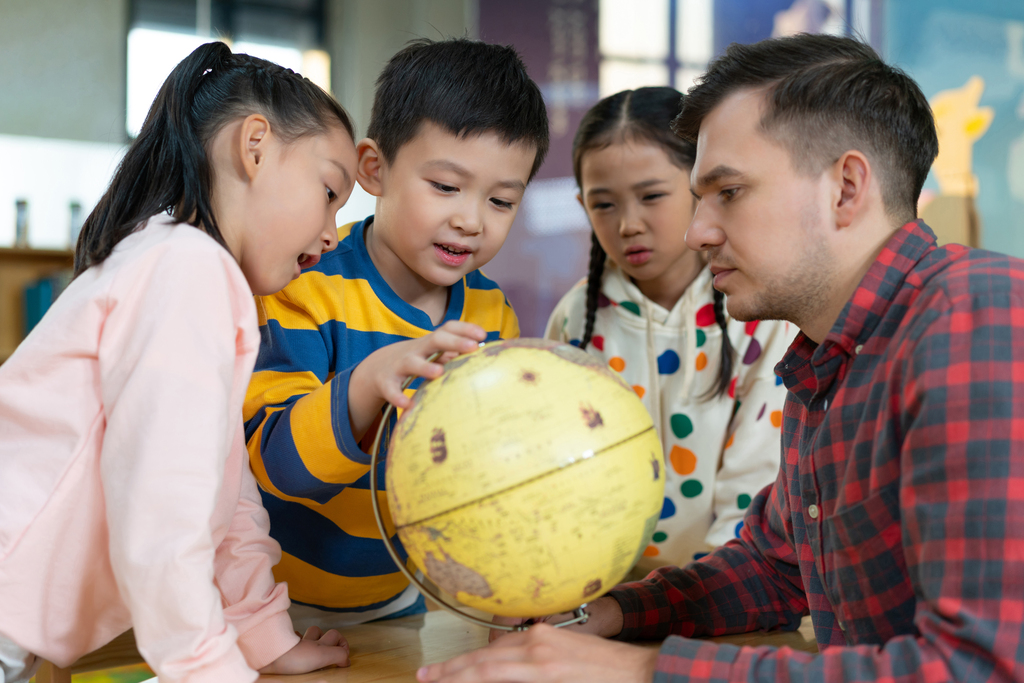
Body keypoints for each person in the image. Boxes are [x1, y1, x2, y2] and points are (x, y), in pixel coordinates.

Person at [417, 32, 1024, 683]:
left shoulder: (974, 314)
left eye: (728, 192)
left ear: (846, 188)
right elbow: (771, 566)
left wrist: (640, 671)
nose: (697, 230)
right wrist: (603, 617)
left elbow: (979, 665)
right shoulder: (828, 362)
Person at [0, 42, 357, 683]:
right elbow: (163, 511)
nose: (333, 231)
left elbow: (226, 493)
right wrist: (207, 668)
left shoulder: (186, 271)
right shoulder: (186, 270)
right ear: (255, 147)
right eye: (329, 191)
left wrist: (262, 639)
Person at [243, 37, 549, 631]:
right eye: (445, 187)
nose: (471, 219)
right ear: (374, 169)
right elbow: (274, 465)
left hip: (399, 604)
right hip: (270, 608)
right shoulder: (304, 283)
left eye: (501, 200)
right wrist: (366, 384)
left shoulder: (492, 315)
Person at [545, 86, 793, 568]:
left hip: (728, 589)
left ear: (700, 186)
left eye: (651, 196)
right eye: (604, 204)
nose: (628, 224)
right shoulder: (576, 320)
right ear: (581, 204)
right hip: (603, 594)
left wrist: (713, 588)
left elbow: (755, 477)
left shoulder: (757, 313)